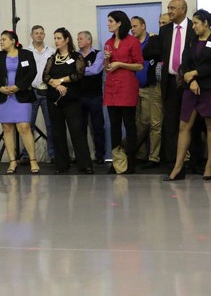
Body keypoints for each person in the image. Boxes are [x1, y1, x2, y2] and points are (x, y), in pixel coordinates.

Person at [163, 9, 211, 181]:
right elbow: (185, 62)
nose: (193, 27)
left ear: (205, 23)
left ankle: (209, 165)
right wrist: (191, 79)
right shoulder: (192, 40)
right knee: (184, 125)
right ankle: (178, 167)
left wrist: (196, 73)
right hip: (191, 87)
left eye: (196, 23)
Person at [0, 30, 40, 174]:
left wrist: (18, 86)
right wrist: (0, 88)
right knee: (7, 128)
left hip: (21, 94)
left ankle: (33, 160)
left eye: (4, 39)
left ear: (13, 41)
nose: (1, 42)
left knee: (24, 127)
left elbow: (32, 72)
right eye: (0, 39)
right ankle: (12, 161)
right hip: (3, 96)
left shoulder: (26, 54)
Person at [42, 27, 93, 174]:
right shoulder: (52, 58)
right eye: (55, 38)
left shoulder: (77, 57)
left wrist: (61, 80)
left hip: (72, 100)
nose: (56, 41)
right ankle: (62, 164)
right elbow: (45, 76)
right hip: (54, 100)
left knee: (77, 131)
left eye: (59, 38)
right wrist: (56, 84)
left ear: (66, 40)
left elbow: (78, 74)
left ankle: (84, 164)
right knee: (57, 132)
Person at [103, 11, 144, 174]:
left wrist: (120, 64)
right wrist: (107, 59)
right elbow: (107, 69)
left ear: (119, 23)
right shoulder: (108, 42)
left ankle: (131, 162)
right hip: (112, 88)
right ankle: (117, 162)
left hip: (127, 87)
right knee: (114, 126)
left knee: (129, 124)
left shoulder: (132, 41)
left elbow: (139, 65)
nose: (108, 24)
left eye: (111, 21)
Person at [159, 0, 194, 166]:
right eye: (168, 7)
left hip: (189, 82)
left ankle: (194, 161)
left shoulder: (194, 28)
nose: (169, 11)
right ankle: (173, 163)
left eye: (173, 8)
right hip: (170, 82)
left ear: (183, 10)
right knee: (171, 123)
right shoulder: (165, 30)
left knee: (191, 123)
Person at [135, 14, 167, 169]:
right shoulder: (155, 40)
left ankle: (163, 156)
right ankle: (149, 156)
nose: (161, 26)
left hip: (170, 85)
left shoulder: (176, 40)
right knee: (150, 123)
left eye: (164, 23)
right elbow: (147, 54)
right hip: (151, 85)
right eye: (160, 23)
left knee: (163, 123)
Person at [23, 25, 56, 163]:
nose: (39, 35)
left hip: (47, 91)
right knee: (27, 125)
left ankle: (53, 155)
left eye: (41, 33)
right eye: (36, 33)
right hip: (31, 92)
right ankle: (27, 156)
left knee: (51, 125)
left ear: (44, 35)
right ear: (31, 35)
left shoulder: (52, 52)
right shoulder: (25, 52)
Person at [77, 30, 106, 164]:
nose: (78, 41)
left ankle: (100, 155)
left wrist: (79, 71)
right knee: (80, 128)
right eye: (78, 39)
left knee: (97, 127)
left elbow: (95, 70)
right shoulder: (75, 55)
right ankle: (82, 157)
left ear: (89, 40)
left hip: (95, 97)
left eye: (81, 38)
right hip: (79, 97)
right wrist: (81, 71)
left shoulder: (98, 54)